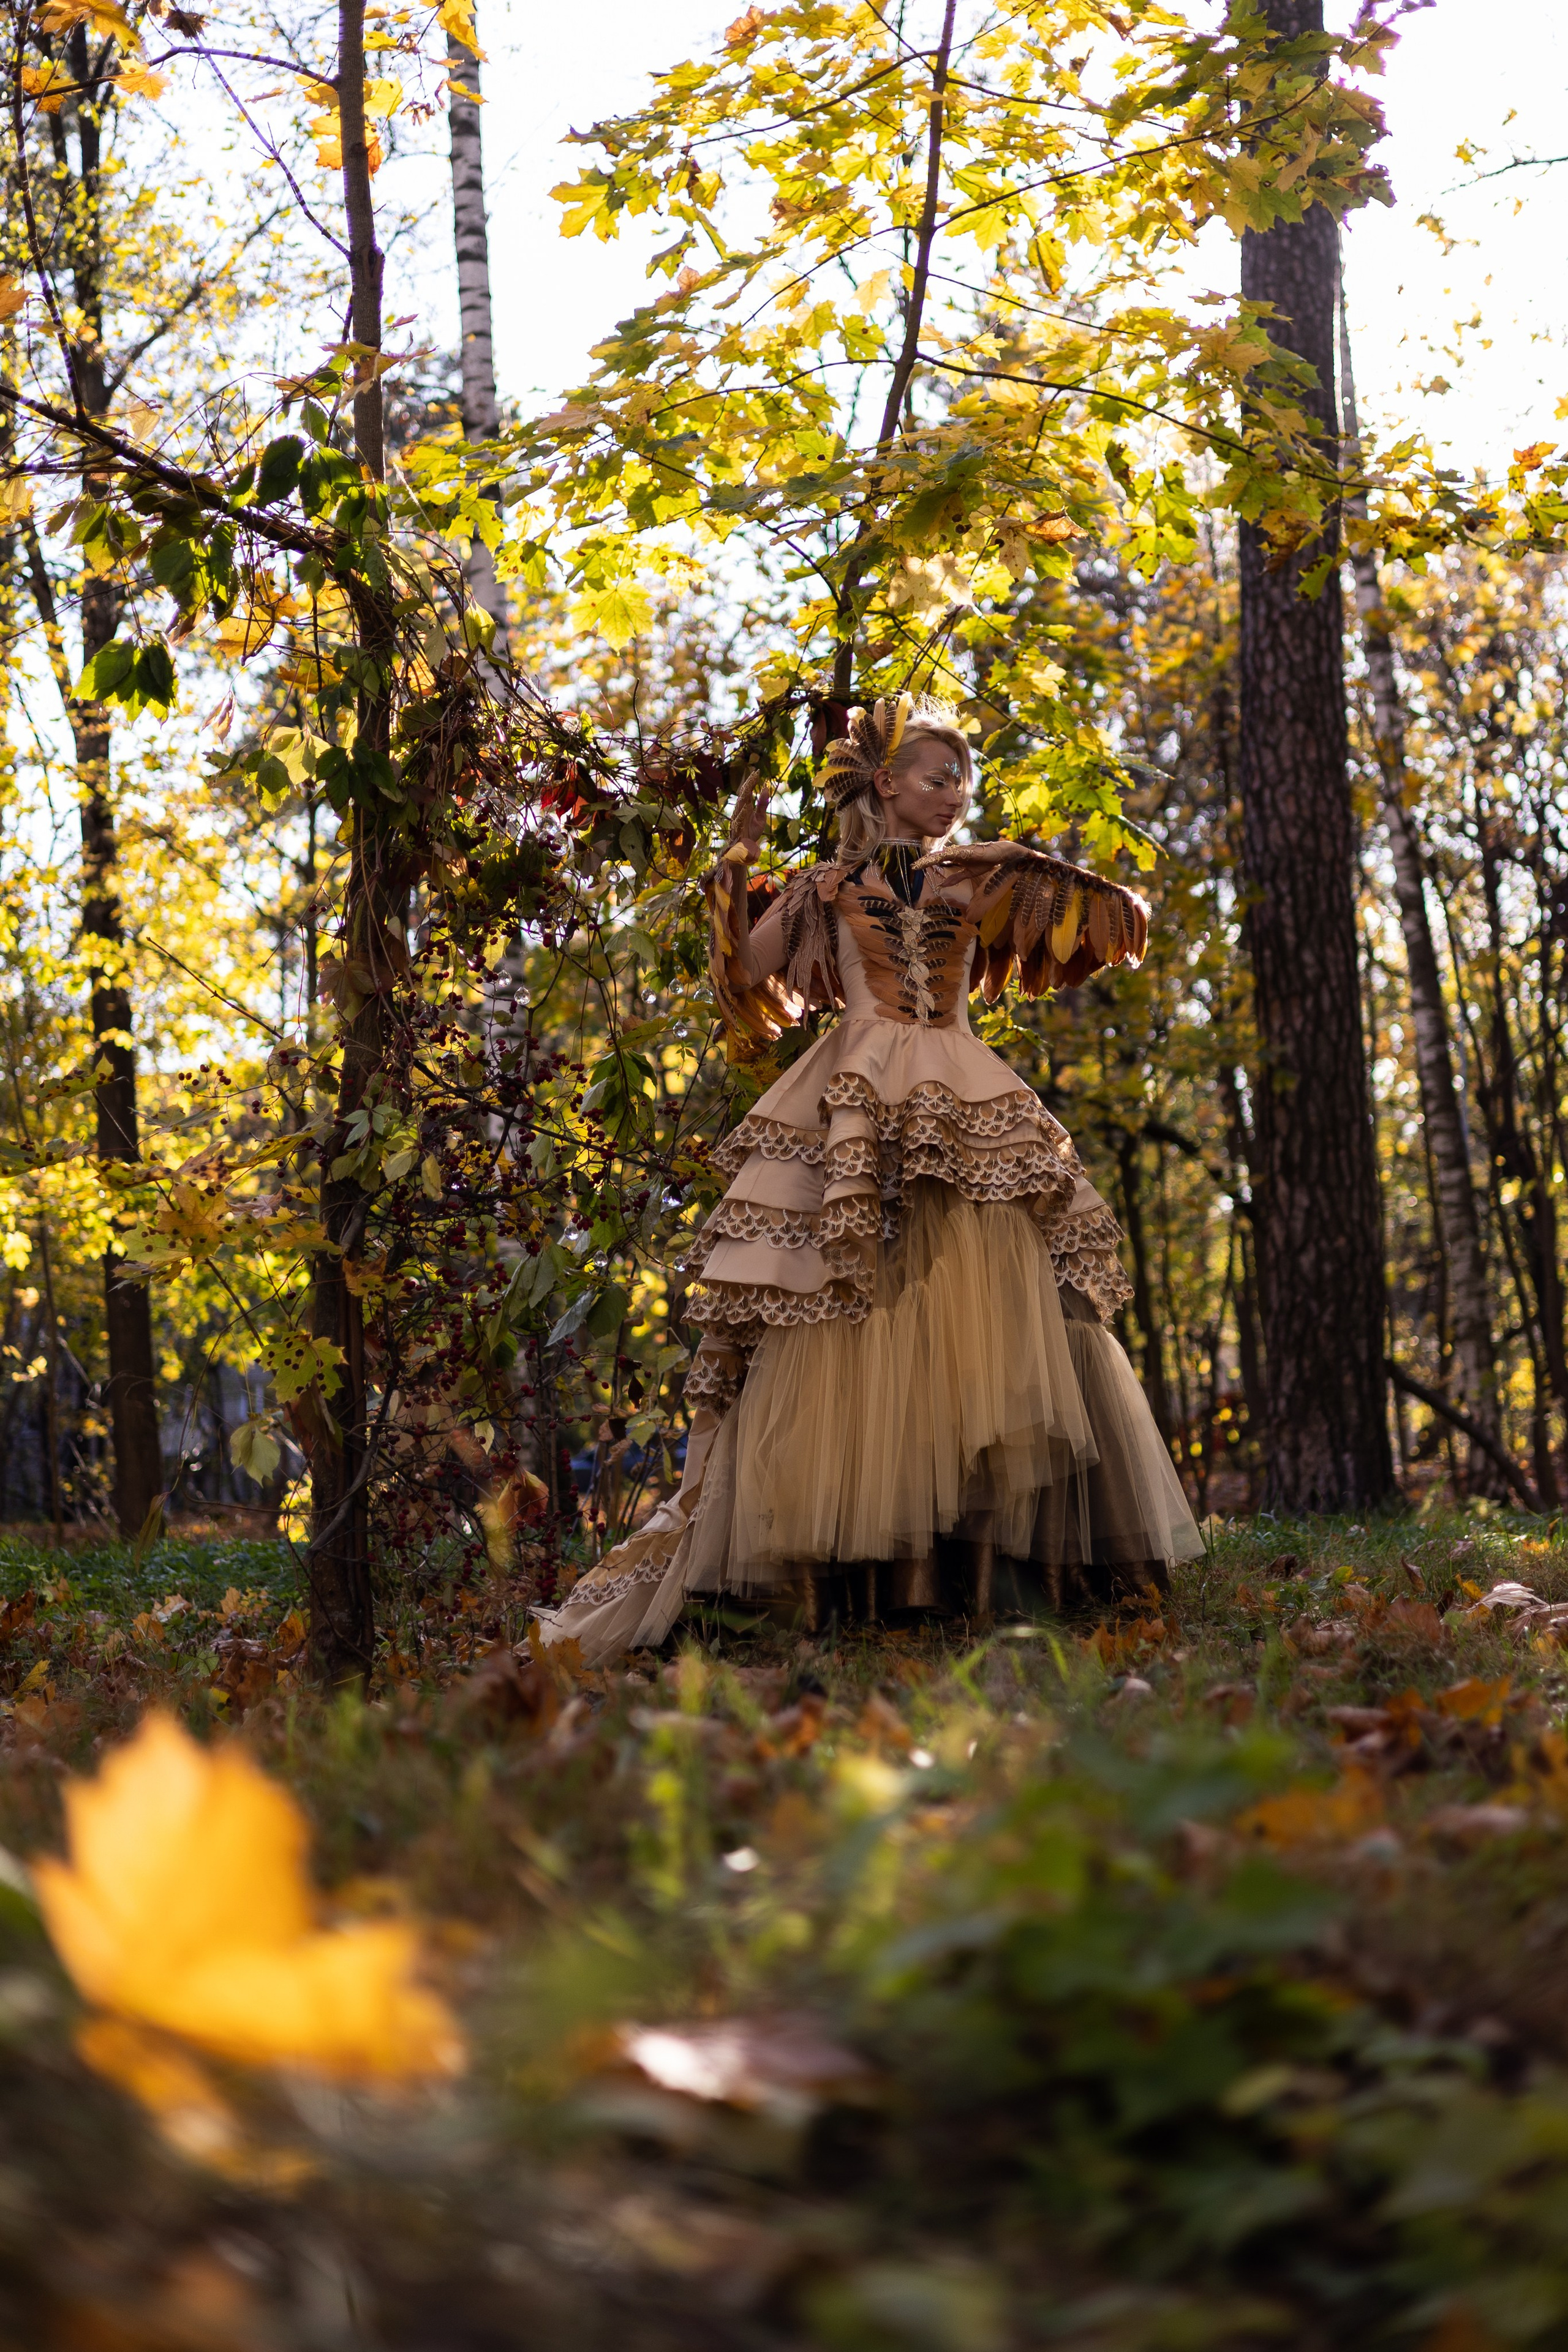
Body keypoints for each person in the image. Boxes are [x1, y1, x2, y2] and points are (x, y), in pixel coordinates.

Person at [535, 694, 1201, 1664]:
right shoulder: (827, 888)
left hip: (963, 1091)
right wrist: (736, 862)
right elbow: (744, 974)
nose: (955, 796)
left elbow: (1096, 920)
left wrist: (1044, 869)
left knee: (987, 1298)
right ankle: (852, 1574)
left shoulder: (975, 877)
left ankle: (992, 1563)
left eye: (963, 782)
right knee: (845, 1304)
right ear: (886, 783)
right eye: (938, 779)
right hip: (854, 1090)